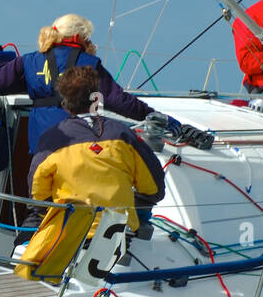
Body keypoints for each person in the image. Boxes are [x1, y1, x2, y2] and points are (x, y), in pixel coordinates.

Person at [0, 13, 209, 152]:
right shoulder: (89, 65)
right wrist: (163, 121)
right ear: (79, 37)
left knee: (40, 205)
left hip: (40, 144)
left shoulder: (30, 61)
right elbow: (121, 102)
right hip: (77, 144)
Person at [19, 65, 166, 280]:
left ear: (65, 104)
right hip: (116, 235)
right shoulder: (124, 135)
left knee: (31, 224)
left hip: (67, 235)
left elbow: (37, 195)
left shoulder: (51, 140)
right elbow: (154, 188)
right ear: (96, 98)